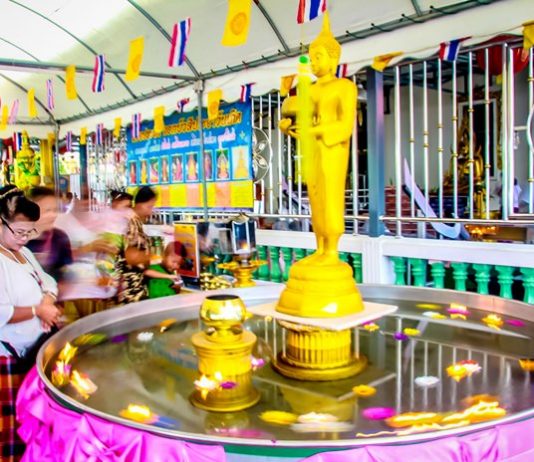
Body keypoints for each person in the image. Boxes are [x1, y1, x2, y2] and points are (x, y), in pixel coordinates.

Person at [279, 12, 356, 265]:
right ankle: (320, 247)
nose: (313, 62)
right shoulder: (311, 90)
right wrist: (286, 126)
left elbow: (344, 125)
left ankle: (332, 249)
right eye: (311, 58)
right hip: (313, 150)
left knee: (330, 196)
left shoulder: (344, 87)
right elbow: (297, 114)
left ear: (333, 58)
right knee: (315, 198)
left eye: (318, 57)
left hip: (332, 149)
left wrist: (314, 131)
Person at [0, 185, 61, 460]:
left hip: (32, 351)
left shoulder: (22, 253)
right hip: (8, 358)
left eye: (29, 232)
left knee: (29, 424)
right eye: (19, 232)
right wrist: (38, 310)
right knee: (10, 431)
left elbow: (48, 281)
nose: (25, 238)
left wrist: (47, 300)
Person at [116, 186, 157, 304]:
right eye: (149, 206)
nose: (150, 211)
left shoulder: (135, 221)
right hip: (130, 289)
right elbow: (131, 257)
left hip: (135, 286)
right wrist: (155, 258)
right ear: (139, 204)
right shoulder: (131, 222)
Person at [26, 187, 73, 284]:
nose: (53, 215)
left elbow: (66, 272)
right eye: (47, 210)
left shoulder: (60, 237)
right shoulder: (15, 241)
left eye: (55, 210)